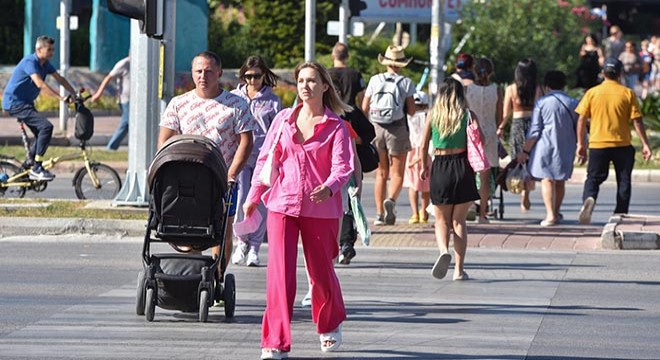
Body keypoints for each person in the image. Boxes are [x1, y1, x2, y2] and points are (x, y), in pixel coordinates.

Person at [243, 61, 354, 359]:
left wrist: (329, 186)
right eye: (301, 80)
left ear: (324, 86)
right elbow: (267, 160)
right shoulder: (282, 120)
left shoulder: (337, 127)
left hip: (321, 207)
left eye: (312, 80)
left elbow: (343, 166)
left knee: (320, 272)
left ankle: (329, 323)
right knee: (279, 274)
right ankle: (275, 341)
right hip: (282, 203)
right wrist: (254, 196)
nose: (305, 86)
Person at [157, 51, 255, 276]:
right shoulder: (179, 104)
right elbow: (164, 141)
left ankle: (217, 276)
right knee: (187, 229)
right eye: (199, 71)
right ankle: (190, 276)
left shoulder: (235, 104)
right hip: (186, 180)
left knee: (222, 231)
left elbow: (246, 142)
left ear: (219, 73)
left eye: (209, 71)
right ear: (192, 73)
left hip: (222, 179)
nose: (203, 76)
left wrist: (231, 173)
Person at [575, 58, 652, 224]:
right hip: (622, 145)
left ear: (603, 73)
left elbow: (581, 119)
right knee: (623, 181)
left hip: (598, 144)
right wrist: (645, 144)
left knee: (593, 178)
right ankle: (620, 214)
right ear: (620, 73)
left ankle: (589, 198)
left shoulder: (592, 93)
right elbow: (637, 121)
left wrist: (581, 143)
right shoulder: (627, 93)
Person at [420, 77, 481, 281]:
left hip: (440, 165)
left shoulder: (433, 115)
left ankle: (443, 251)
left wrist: (422, 166)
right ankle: (459, 270)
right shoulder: (468, 115)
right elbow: (479, 140)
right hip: (463, 167)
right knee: (459, 221)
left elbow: (422, 146)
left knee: (441, 220)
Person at [229, 55, 282, 267]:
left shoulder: (272, 100)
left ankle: (255, 247)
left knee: (259, 202)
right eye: (248, 76)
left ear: (264, 75)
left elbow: (277, 131)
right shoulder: (235, 96)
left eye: (257, 76)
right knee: (241, 199)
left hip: (264, 158)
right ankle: (241, 241)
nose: (252, 81)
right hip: (240, 156)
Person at [2, 35, 76, 181]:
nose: (52, 53)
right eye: (49, 50)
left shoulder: (45, 64)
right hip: (15, 103)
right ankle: (37, 167)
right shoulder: (30, 62)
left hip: (25, 104)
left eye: (53, 50)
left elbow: (59, 79)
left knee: (42, 134)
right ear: (39, 49)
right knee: (46, 127)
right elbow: (40, 84)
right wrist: (61, 98)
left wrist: (74, 93)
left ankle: (27, 167)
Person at [362, 45, 416, 226]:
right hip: (397, 128)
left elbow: (364, 106)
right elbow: (411, 110)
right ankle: (391, 201)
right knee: (397, 172)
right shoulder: (406, 83)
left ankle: (379, 214)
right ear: (401, 64)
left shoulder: (375, 80)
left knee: (381, 173)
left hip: (377, 128)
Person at [516, 71, 579, 226]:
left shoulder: (542, 103)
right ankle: (556, 212)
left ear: (546, 86)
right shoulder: (573, 103)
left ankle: (550, 215)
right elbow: (580, 128)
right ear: (563, 85)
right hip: (566, 146)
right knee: (560, 181)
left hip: (546, 147)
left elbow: (535, 130)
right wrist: (581, 147)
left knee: (547, 180)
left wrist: (525, 151)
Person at [328, 42, 369, 264]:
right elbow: (362, 100)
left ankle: (336, 244)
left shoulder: (326, 73)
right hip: (351, 119)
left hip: (333, 117)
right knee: (348, 187)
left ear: (333, 55)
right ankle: (346, 242)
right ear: (348, 55)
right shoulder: (355, 74)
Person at [498, 58, 542, 212]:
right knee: (530, 161)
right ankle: (526, 192)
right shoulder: (537, 89)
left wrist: (501, 127)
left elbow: (506, 113)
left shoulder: (511, 89)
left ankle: (522, 188)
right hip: (532, 124)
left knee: (518, 160)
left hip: (517, 125)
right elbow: (539, 109)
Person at [465, 57, 503, 224]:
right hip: (489, 131)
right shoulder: (497, 89)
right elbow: (500, 115)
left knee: (469, 172)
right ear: (491, 71)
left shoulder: (468, 89)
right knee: (485, 175)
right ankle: (482, 214)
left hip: (472, 131)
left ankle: (471, 205)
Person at [90, 55, 130, 150]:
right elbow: (108, 78)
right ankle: (111, 147)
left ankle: (112, 147)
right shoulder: (124, 63)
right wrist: (98, 94)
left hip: (134, 101)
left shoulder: (140, 63)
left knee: (128, 124)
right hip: (126, 100)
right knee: (126, 124)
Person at [404, 90, 431, 224]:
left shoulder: (408, 117)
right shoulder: (428, 115)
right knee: (426, 186)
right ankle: (423, 213)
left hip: (412, 150)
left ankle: (416, 213)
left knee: (413, 185)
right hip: (427, 151)